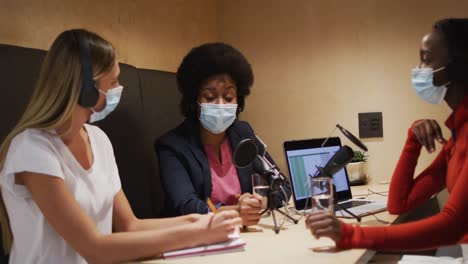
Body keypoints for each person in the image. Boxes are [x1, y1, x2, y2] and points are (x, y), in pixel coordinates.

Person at [0, 29, 241, 264]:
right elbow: (94, 249)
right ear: (85, 90)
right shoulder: (31, 149)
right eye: (113, 81)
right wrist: (197, 235)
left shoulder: (98, 139)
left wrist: (203, 221)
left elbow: (130, 225)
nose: (118, 90)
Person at [305, 18, 468, 253]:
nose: (418, 69)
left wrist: (351, 234)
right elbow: (398, 204)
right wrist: (413, 138)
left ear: (455, 66)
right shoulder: (457, 135)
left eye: (426, 58)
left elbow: (451, 226)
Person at [156, 43, 292, 226]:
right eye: (210, 97)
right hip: (197, 241)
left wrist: (259, 203)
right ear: (194, 100)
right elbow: (185, 206)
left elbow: (282, 186)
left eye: (228, 97)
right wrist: (236, 211)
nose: (221, 104)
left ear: (239, 100)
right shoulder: (172, 146)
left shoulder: (244, 134)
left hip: (246, 235)